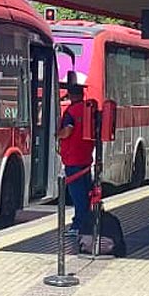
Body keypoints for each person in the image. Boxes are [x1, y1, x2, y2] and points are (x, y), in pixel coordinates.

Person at [57, 81, 98, 236]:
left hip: (73, 160)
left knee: (78, 195)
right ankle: (87, 222)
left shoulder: (71, 112)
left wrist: (57, 134)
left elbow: (67, 131)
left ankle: (79, 225)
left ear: (71, 96)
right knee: (86, 193)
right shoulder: (89, 110)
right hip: (86, 158)